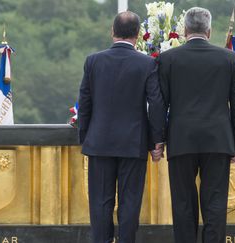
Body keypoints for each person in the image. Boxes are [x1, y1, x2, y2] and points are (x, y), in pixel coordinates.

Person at [157, 7, 235, 243]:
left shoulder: (168, 59)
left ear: (185, 30)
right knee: (215, 204)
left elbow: (159, 104)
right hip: (218, 140)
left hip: (181, 139)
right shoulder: (229, 58)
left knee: (183, 204)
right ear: (209, 30)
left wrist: (158, 139)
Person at [78, 11, 165, 243]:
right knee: (130, 202)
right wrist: (157, 140)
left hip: (99, 142)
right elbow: (156, 104)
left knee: (100, 202)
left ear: (112, 31)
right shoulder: (148, 63)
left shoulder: (93, 61)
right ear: (138, 35)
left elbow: (84, 103)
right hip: (133, 143)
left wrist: (85, 138)